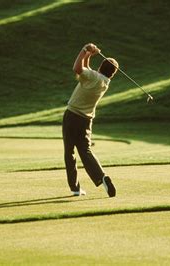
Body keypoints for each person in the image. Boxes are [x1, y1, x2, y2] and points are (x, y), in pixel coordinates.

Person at [62, 43, 118, 197]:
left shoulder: (93, 77)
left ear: (101, 66)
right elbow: (86, 71)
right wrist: (89, 55)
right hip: (86, 121)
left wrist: (85, 49)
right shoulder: (105, 82)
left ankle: (75, 188)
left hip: (72, 116)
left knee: (69, 153)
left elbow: (77, 69)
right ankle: (102, 177)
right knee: (85, 151)